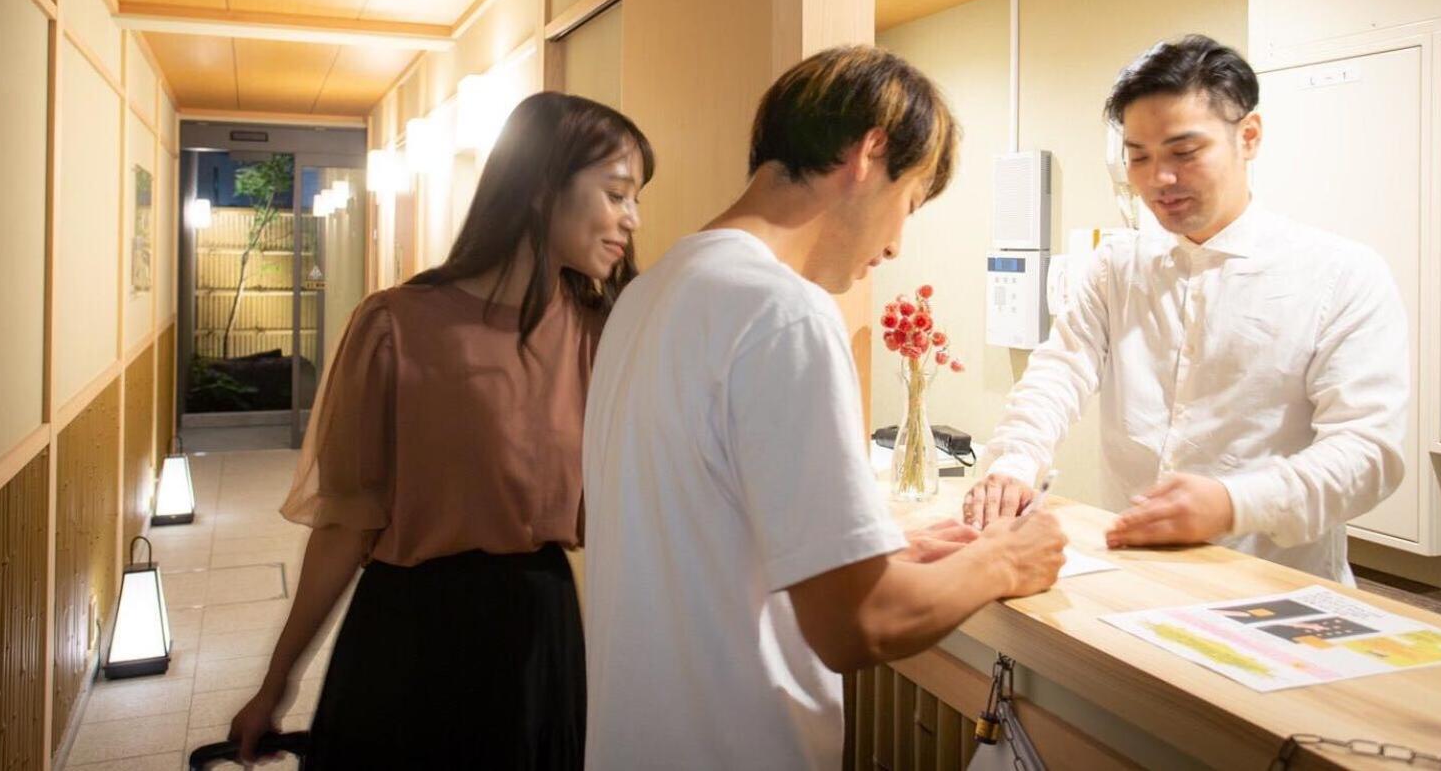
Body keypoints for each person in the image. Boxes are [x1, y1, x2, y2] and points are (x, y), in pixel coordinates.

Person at [582, 45, 1066, 771]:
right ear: (869, 154)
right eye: (909, 204)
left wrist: (868, 557)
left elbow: (705, 532)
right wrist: (1003, 559)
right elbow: (857, 624)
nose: (896, 244)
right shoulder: (784, 312)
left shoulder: (651, 292)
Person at [228, 92, 655, 768]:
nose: (632, 218)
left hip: (539, 636)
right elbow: (345, 525)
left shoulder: (601, 335)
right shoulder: (397, 326)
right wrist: (276, 680)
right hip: (410, 634)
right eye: (616, 193)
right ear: (542, 187)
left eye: (635, 199)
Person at [964, 34, 1407, 584]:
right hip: (1132, 574)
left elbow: (1368, 452)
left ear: (1249, 136)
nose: (1159, 180)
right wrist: (1015, 460)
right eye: (1138, 157)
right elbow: (1060, 371)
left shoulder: (1340, 273)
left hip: (1276, 585)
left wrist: (1233, 503)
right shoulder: (1118, 266)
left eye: (1184, 152)